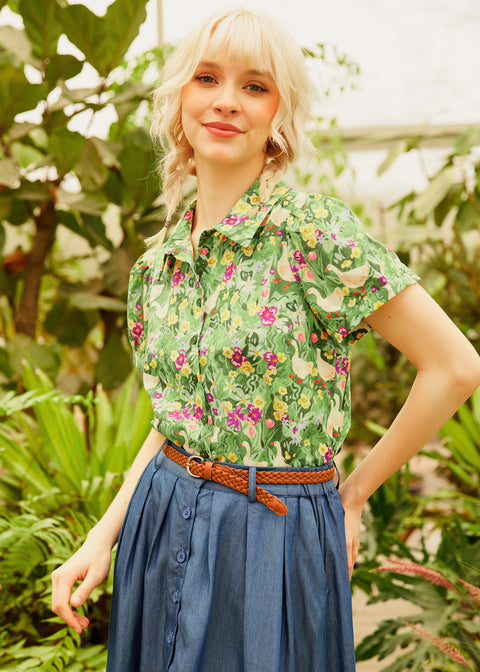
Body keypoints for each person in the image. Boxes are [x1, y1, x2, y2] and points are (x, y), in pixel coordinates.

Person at [51, 8, 480, 672]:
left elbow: (454, 366)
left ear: (280, 113)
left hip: (272, 534)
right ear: (180, 100)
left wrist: (353, 494)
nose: (226, 100)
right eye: (207, 78)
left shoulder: (311, 233)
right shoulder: (157, 267)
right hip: (160, 520)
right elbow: (174, 422)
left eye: (254, 86)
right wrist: (100, 539)